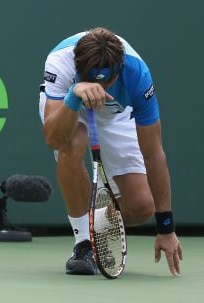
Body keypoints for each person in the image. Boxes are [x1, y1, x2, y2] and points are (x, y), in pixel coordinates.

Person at [39, 27, 182, 276]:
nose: (100, 90)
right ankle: (84, 244)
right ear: (77, 66)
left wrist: (166, 227)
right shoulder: (60, 61)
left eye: (107, 82)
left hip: (116, 115)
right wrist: (74, 96)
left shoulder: (137, 74)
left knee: (141, 207)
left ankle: (99, 219)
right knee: (70, 146)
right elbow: (53, 140)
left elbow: (154, 153)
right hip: (71, 103)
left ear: (118, 72)